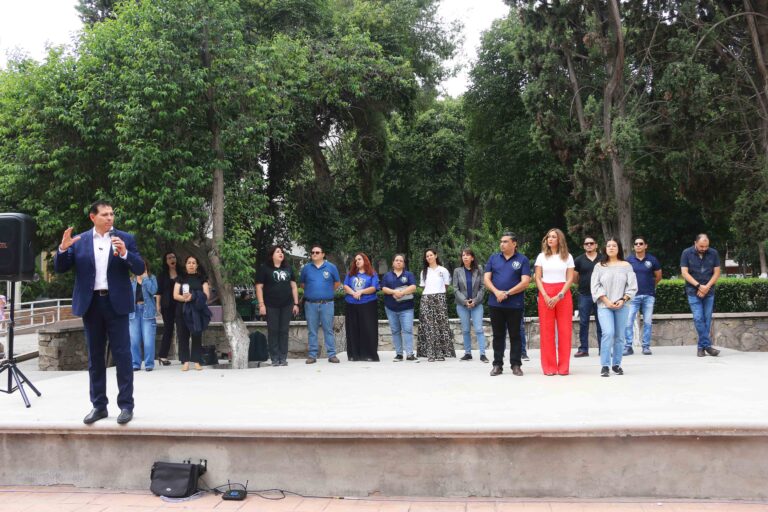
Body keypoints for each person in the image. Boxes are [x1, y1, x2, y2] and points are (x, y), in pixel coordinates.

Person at [54, 200, 145, 425]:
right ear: (92, 217)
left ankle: (126, 406)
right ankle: (99, 406)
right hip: (92, 304)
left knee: (123, 356)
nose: (110, 218)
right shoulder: (81, 241)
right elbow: (60, 267)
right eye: (105, 214)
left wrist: (125, 254)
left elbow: (140, 268)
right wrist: (63, 249)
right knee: (95, 358)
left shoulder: (125, 238)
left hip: (117, 305)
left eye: (112, 214)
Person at [484, 232, 531, 377]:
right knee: (498, 336)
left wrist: (507, 293)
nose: (502, 244)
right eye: (501, 241)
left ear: (514, 243)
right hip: (495, 304)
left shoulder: (522, 260)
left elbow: (525, 282)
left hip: (514, 304)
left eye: (505, 241)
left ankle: (516, 365)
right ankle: (497, 365)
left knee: (515, 335)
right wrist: (497, 292)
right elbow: (486, 279)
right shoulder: (493, 258)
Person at [591, 238, 637, 377]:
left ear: (619, 248)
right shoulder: (599, 266)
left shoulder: (626, 266)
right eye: (609, 245)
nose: (611, 248)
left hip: (622, 305)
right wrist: (605, 300)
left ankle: (616, 364)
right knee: (608, 333)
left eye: (614, 245)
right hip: (604, 305)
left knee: (619, 336)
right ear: (605, 248)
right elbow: (595, 286)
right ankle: (605, 365)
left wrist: (623, 299)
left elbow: (632, 286)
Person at [534, 228, 575, 376]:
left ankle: (563, 367)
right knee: (546, 331)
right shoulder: (541, 257)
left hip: (563, 294)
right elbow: (537, 277)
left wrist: (560, 295)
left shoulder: (567, 257)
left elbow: (570, 278)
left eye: (553, 237)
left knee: (565, 331)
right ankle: (549, 367)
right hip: (545, 292)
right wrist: (544, 295)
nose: (550, 239)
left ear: (559, 240)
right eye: (548, 237)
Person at [255, 245, 299, 366]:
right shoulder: (265, 268)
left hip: (287, 304)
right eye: (278, 251)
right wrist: (261, 304)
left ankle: (283, 357)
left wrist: (296, 303)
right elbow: (259, 287)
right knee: (273, 330)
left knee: (284, 331)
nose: (281, 253)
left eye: (282, 252)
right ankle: (274, 357)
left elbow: (294, 286)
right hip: (270, 305)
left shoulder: (288, 268)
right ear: (272, 255)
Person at [680, 234, 722, 357]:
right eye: (701, 246)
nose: (704, 248)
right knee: (698, 318)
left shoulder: (713, 253)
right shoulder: (686, 253)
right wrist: (699, 286)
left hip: (709, 291)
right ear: (695, 243)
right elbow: (684, 273)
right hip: (693, 291)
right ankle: (707, 346)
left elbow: (717, 272)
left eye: (706, 246)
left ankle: (700, 347)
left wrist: (706, 287)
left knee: (707, 319)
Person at [299, 245, 341, 364]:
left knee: (328, 329)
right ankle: (312, 356)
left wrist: (326, 291)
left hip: (327, 304)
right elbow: (302, 284)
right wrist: (314, 291)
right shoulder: (306, 268)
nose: (314, 254)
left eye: (317, 252)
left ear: (323, 254)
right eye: (312, 252)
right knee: (312, 330)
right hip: (310, 304)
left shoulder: (331, 267)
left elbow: (337, 283)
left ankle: (332, 355)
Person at [623, 236, 662, 356]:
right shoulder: (628, 261)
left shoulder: (652, 260)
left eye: (641, 243)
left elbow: (658, 276)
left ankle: (646, 346)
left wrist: (650, 286)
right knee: (628, 322)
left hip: (649, 296)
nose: (638, 245)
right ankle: (628, 346)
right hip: (632, 296)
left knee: (647, 322)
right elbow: (624, 278)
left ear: (646, 246)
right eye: (636, 244)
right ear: (633, 246)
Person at [173, 255, 211, 371]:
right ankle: (185, 361)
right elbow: (175, 295)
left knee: (196, 335)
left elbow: (207, 295)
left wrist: (193, 296)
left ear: (197, 265)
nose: (191, 265)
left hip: (197, 310)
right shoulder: (180, 278)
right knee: (183, 335)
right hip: (183, 310)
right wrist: (186, 299)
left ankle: (197, 361)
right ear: (185, 265)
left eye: (193, 263)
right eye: (189, 262)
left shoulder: (202, 278)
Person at [417, 248, 455, 362]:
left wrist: (439, 294)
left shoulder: (443, 270)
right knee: (428, 326)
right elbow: (423, 287)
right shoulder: (423, 272)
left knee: (440, 325)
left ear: (436, 255)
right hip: (426, 298)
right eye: (427, 256)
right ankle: (430, 353)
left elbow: (446, 285)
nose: (429, 257)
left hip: (440, 298)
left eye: (431, 255)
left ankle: (440, 353)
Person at [343, 252, 380, 362]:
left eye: (359, 259)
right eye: (356, 260)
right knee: (353, 330)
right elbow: (345, 286)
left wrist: (361, 292)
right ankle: (354, 355)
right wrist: (354, 293)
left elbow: (374, 288)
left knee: (368, 329)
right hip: (351, 304)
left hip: (368, 304)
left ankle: (369, 354)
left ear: (365, 260)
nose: (357, 261)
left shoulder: (372, 274)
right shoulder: (351, 274)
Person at [453, 248, 488, 362]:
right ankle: (468, 353)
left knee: (479, 329)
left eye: (468, 255)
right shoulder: (457, 271)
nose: (465, 257)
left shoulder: (479, 269)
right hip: (462, 305)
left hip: (476, 304)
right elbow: (455, 289)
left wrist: (475, 300)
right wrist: (465, 301)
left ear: (472, 258)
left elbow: (482, 287)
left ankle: (482, 354)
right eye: (463, 255)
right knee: (466, 330)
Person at [381, 254, 417, 362]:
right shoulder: (387, 276)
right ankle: (399, 354)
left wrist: (402, 293)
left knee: (407, 330)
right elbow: (383, 288)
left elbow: (414, 287)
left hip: (406, 308)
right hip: (391, 308)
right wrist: (394, 292)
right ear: (393, 262)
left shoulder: (409, 274)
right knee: (395, 331)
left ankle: (410, 354)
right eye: (396, 260)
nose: (398, 262)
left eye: (401, 260)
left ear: (404, 263)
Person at [573, 236, 602, 357]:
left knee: (601, 323)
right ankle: (583, 349)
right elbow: (575, 278)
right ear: (584, 246)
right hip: (584, 295)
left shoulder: (603, 259)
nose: (589, 245)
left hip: (601, 295)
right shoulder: (579, 260)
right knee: (583, 322)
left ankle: (603, 349)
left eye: (591, 243)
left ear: (596, 245)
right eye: (586, 244)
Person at [130, 258, 158, 371]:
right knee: (134, 340)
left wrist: (145, 279)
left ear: (146, 266)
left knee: (148, 340)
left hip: (148, 312)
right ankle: (135, 364)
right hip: (133, 311)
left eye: (143, 265)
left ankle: (149, 364)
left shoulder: (152, 278)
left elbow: (153, 291)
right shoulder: (131, 280)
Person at [156, 252, 179, 366]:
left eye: (173, 257)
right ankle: (162, 356)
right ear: (166, 261)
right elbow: (159, 291)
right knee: (168, 330)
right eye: (169, 258)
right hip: (167, 305)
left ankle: (185, 356)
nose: (172, 259)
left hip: (180, 304)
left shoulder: (182, 273)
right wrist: (158, 305)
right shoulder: (162, 275)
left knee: (183, 329)